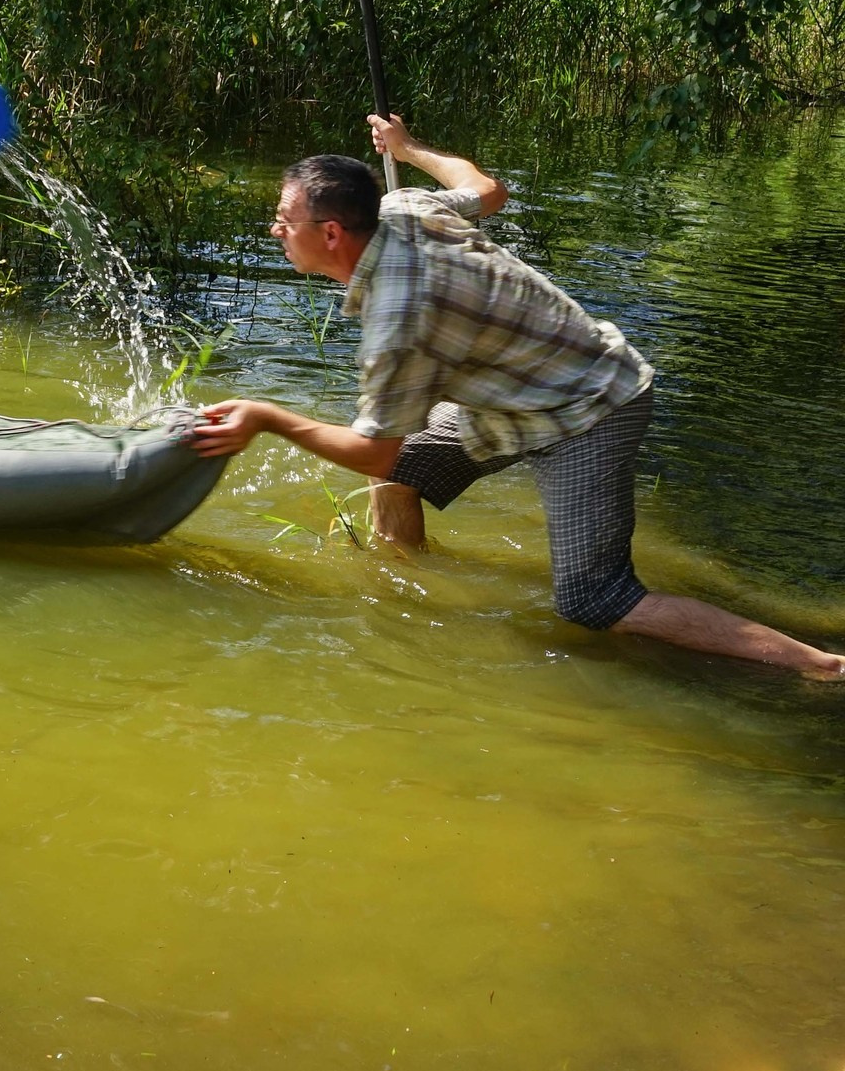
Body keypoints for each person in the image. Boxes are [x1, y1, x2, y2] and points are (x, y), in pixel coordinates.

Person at [190, 114, 844, 676]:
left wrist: (268, 416)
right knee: (402, 478)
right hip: (518, 393)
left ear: (331, 233)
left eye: (285, 220)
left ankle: (822, 668)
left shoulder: (396, 325)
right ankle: (402, 600)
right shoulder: (405, 208)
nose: (277, 230)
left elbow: (373, 452)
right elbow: (487, 190)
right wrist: (411, 148)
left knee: (596, 603)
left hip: (586, 411)